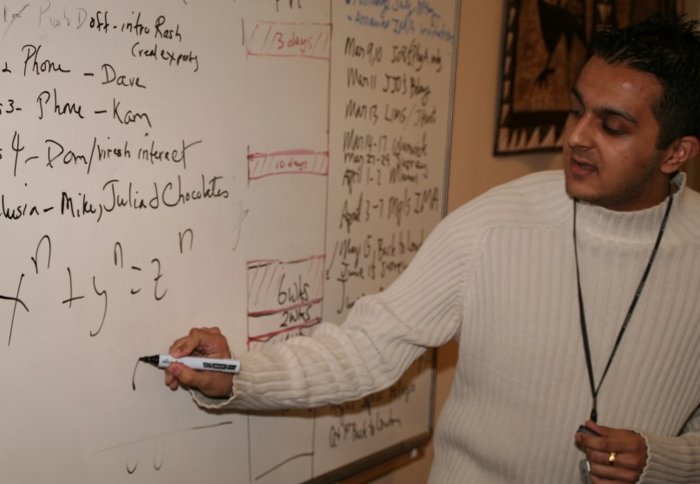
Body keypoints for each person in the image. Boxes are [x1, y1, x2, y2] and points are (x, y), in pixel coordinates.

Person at [165, 14, 700, 483]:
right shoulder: (497, 224)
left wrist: (665, 460)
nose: (578, 138)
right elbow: (367, 350)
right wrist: (235, 374)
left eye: (611, 126)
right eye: (576, 110)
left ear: (676, 151)